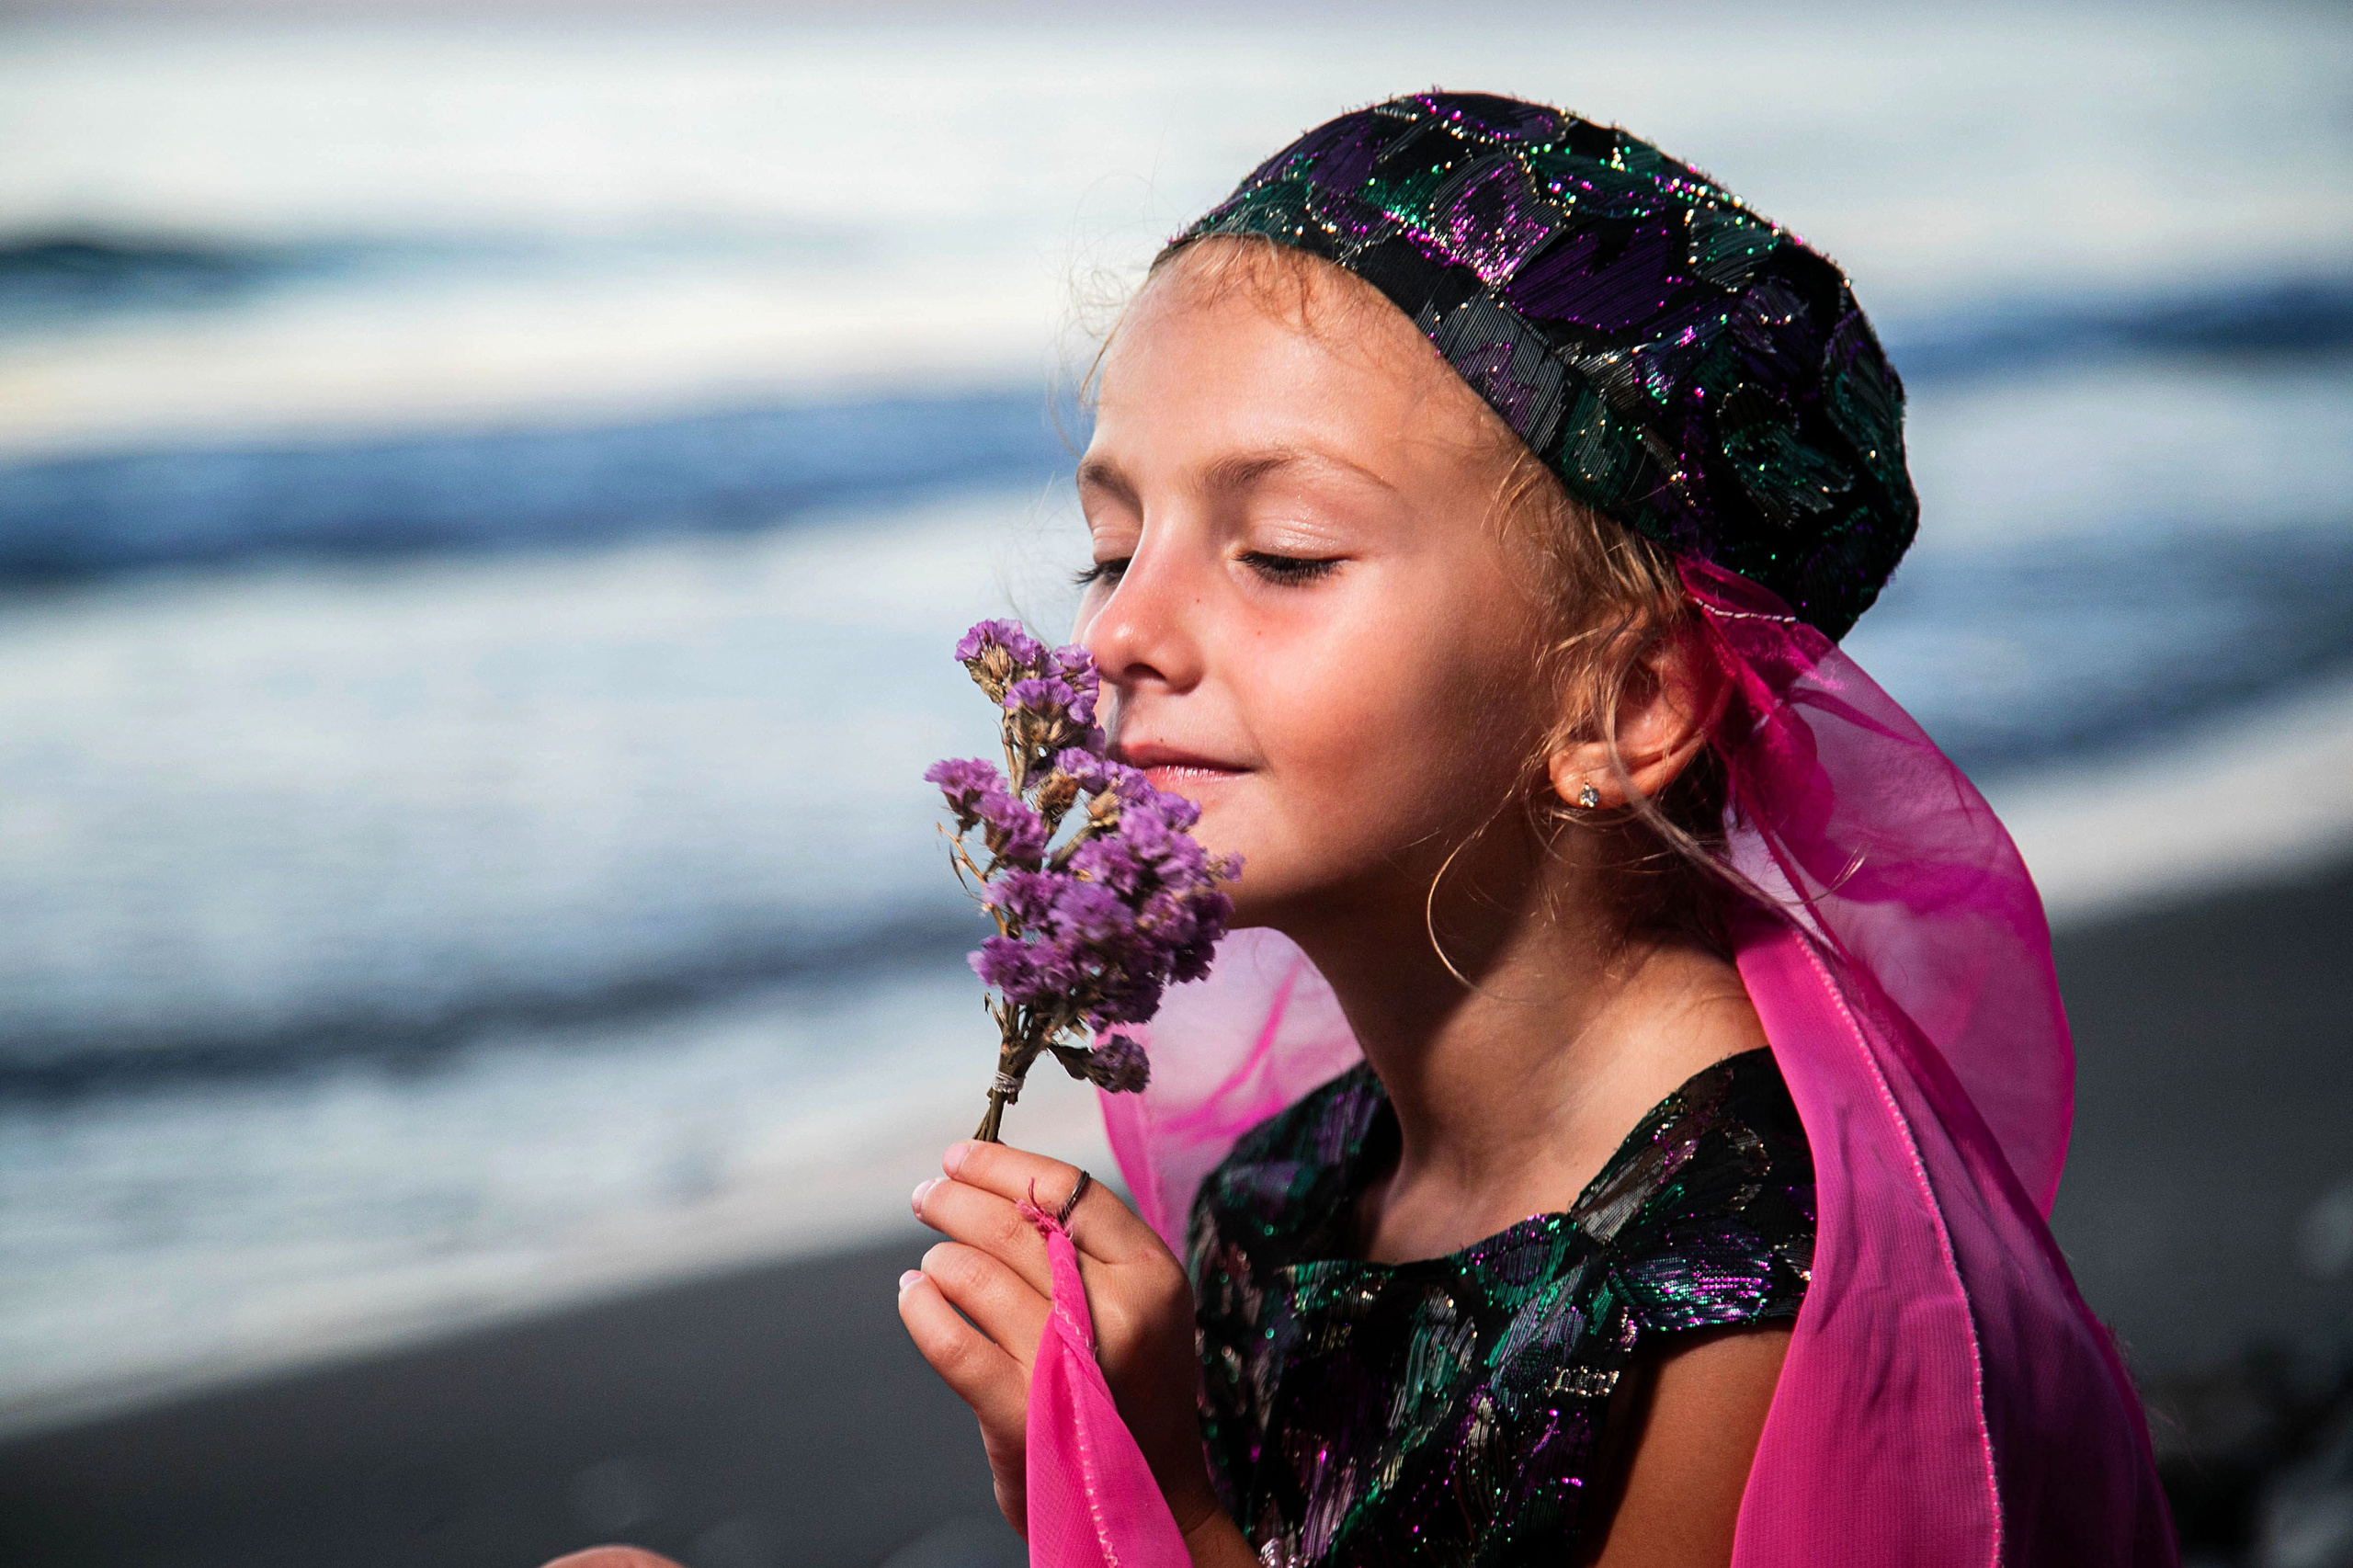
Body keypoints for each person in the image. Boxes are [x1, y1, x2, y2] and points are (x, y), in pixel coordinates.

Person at [555, 93, 2178, 1567]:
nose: (1123, 633)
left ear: (1619, 705)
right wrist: (1088, 1465)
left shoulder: (1748, 1295)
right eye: (1109, 552)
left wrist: (1167, 1501)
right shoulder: (1294, 1188)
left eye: (1285, 553)